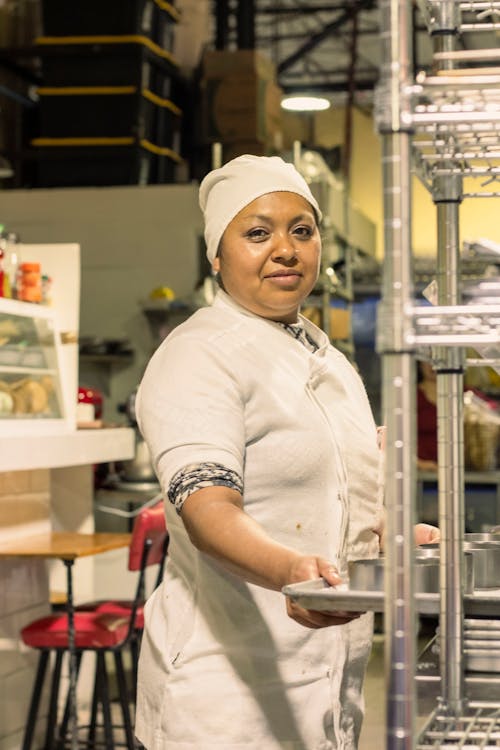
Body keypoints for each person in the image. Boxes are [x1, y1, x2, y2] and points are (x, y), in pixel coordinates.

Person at [134, 155, 438, 750]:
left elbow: (342, 494)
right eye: (257, 232)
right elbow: (208, 510)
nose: (286, 249)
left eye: (302, 230)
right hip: (223, 705)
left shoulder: (329, 361)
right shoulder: (199, 354)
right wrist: (291, 573)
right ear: (217, 257)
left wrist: (394, 537)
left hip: (328, 698)